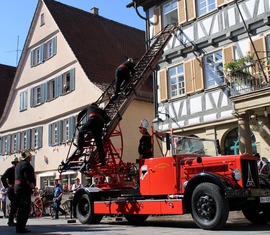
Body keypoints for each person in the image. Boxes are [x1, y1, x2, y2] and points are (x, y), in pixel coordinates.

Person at [14, 150, 35, 233]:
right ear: (28, 157)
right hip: (24, 190)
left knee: (20, 209)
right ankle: (21, 228)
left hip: (17, 188)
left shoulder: (18, 165)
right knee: (25, 209)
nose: (31, 158)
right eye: (30, 157)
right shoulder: (27, 165)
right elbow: (28, 179)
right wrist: (33, 187)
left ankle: (19, 227)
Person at [1, 156, 19, 226]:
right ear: (13, 163)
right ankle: (10, 221)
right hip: (11, 190)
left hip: (16, 189)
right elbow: (3, 178)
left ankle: (13, 219)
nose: (16, 164)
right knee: (14, 205)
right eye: (15, 163)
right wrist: (7, 186)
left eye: (17, 162)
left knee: (16, 205)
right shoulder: (10, 170)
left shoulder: (17, 170)